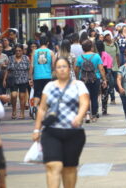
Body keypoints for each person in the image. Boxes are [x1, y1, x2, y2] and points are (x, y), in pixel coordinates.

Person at [32, 57, 90, 188]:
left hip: (73, 133)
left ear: (69, 69)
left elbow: (85, 102)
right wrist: (36, 129)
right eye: (59, 67)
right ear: (55, 71)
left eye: (64, 66)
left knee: (69, 168)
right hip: (51, 132)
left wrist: (79, 117)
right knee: (54, 165)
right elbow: (42, 108)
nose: (62, 69)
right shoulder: (49, 86)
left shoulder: (78, 85)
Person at [75, 40, 107, 122]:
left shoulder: (80, 57)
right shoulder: (96, 56)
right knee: (94, 97)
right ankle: (94, 115)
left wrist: (77, 79)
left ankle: (87, 115)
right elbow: (101, 69)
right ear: (92, 47)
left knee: (85, 98)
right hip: (95, 78)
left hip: (83, 80)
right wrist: (104, 79)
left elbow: (76, 69)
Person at [4, 44, 30, 120]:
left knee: (22, 97)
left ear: (22, 51)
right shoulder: (11, 58)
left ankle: (22, 113)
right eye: (17, 50)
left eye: (20, 50)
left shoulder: (26, 58)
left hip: (23, 79)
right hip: (13, 79)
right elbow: (7, 70)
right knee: (14, 95)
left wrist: (30, 79)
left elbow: (29, 69)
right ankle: (14, 110)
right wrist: (4, 79)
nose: (18, 52)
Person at [30, 37, 55, 113]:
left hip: (37, 76)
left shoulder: (34, 52)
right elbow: (54, 65)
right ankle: (45, 109)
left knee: (37, 92)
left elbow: (31, 66)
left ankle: (34, 106)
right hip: (48, 76)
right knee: (47, 93)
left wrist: (30, 78)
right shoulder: (51, 52)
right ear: (47, 43)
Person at [96, 40, 113, 115]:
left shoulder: (95, 55)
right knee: (105, 93)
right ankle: (104, 109)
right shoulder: (105, 54)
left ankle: (95, 110)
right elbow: (108, 66)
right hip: (105, 75)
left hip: (96, 76)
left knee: (96, 94)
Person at [104, 30, 120, 104]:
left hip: (115, 66)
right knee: (111, 83)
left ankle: (121, 94)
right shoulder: (103, 45)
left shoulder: (115, 44)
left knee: (116, 82)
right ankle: (112, 99)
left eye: (109, 35)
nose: (108, 37)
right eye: (106, 36)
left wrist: (119, 66)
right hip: (107, 67)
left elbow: (117, 55)